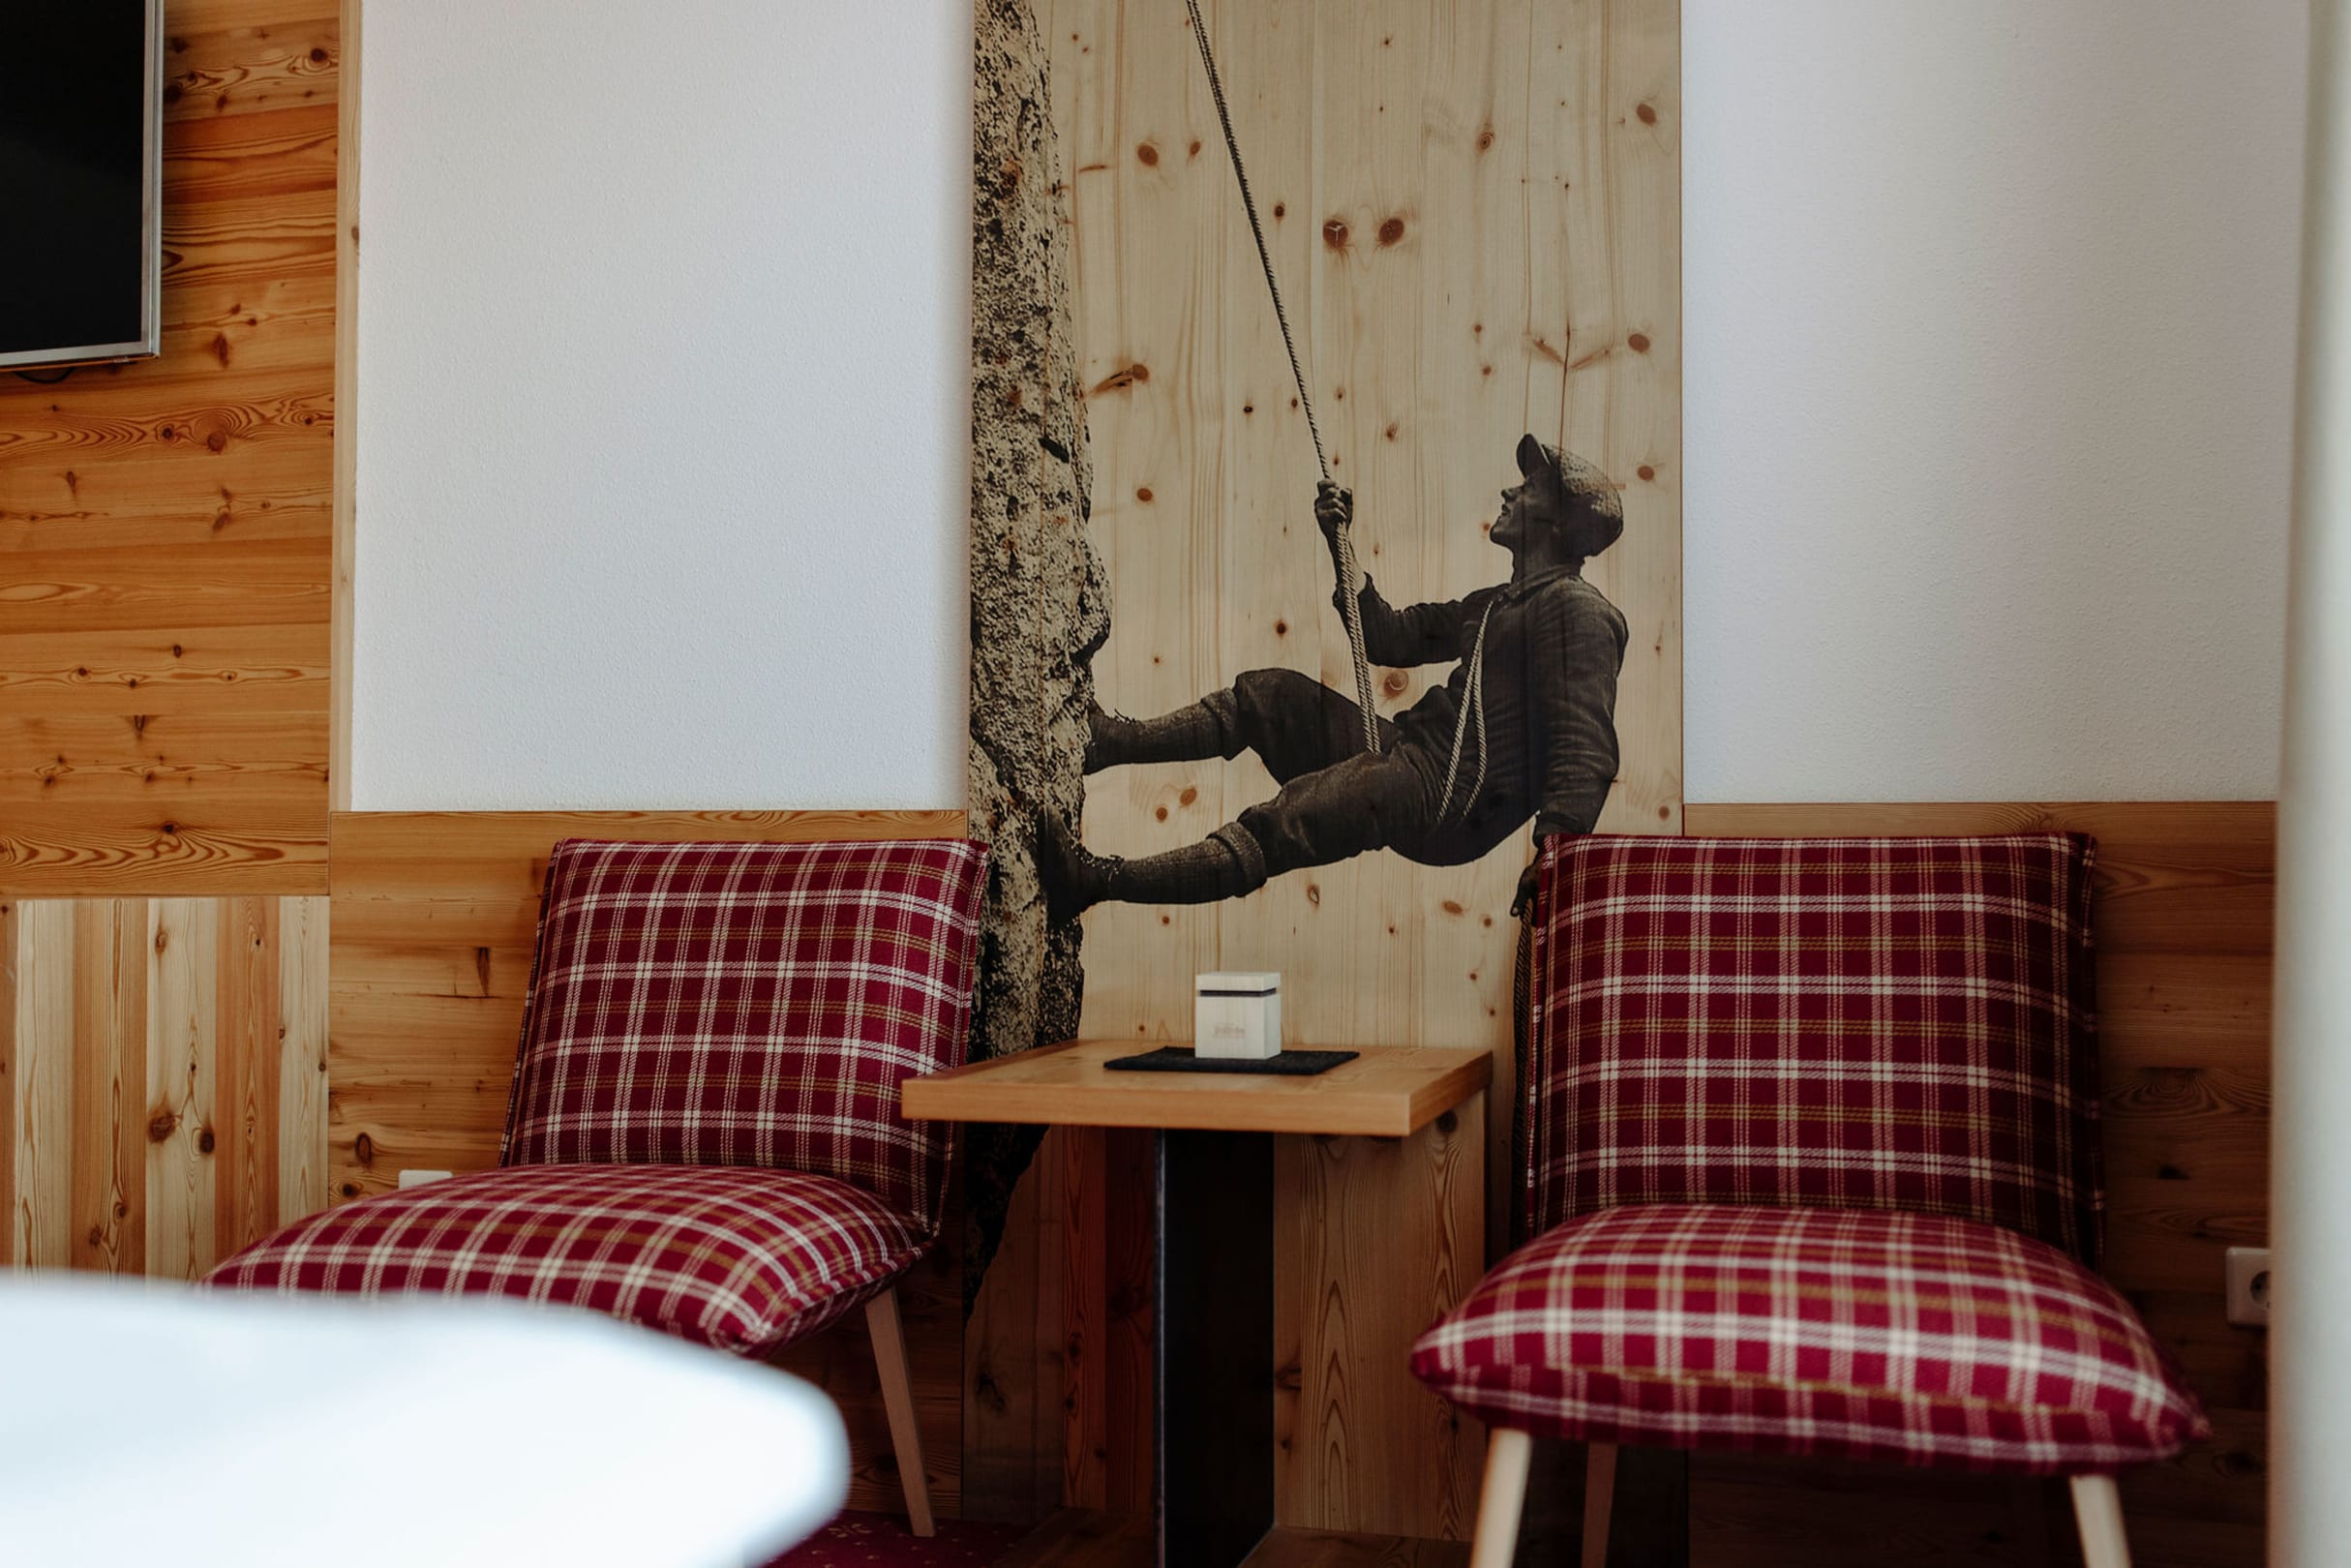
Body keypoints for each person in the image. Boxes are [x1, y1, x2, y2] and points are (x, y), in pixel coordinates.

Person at [1041, 434, 1628, 920]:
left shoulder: (1578, 612)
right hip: (1409, 755)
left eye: (1530, 487)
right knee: (1270, 697)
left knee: (1285, 821)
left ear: (1558, 521)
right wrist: (1338, 542)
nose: (1510, 491)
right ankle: (1108, 743)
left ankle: (1093, 882)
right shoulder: (1498, 602)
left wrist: (1555, 854)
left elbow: (1586, 749)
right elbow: (1388, 637)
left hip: (1442, 799)